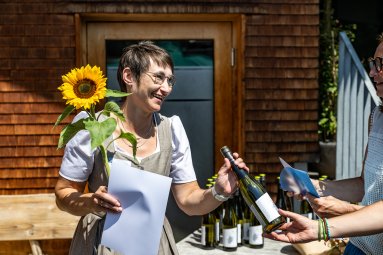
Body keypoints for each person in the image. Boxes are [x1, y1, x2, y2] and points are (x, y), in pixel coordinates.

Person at [54, 41, 248, 255]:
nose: (166, 88)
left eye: (170, 80)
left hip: (153, 244)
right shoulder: (92, 126)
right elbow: (63, 194)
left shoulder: (171, 129)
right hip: (100, 244)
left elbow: (189, 200)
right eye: (158, 77)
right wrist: (91, 202)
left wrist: (219, 192)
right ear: (129, 77)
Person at [284, 33, 383, 255]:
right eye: (373, 63)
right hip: (359, 247)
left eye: (380, 64)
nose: (372, 72)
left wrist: (338, 216)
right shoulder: (376, 117)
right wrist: (314, 186)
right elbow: (363, 184)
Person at [264, 200, 383, 243]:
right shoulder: (373, 142)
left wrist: (347, 208)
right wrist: (316, 185)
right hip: (356, 246)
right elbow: (362, 182)